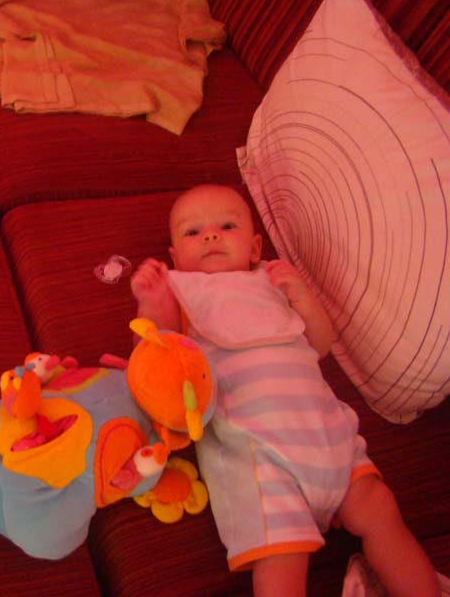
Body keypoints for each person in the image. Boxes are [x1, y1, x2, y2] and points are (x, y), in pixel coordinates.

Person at [130, 184, 439, 597]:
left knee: (382, 509)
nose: (211, 235)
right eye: (193, 232)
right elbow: (156, 359)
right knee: (282, 558)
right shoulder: (183, 290)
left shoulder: (273, 281)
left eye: (227, 226)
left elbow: (320, 345)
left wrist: (302, 297)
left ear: (255, 247)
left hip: (328, 436)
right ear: (175, 257)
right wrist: (151, 304)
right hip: (257, 455)